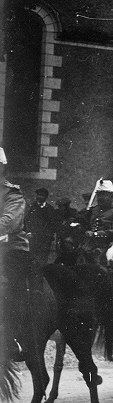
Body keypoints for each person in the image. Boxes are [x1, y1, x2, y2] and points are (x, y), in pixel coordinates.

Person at [1, 147, 30, 359]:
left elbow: (9, 222)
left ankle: (14, 338)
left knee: (9, 287)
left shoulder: (12, 193)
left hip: (11, 249)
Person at [84, 179, 113, 263]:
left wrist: (96, 234)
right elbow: (86, 224)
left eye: (104, 195)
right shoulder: (94, 209)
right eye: (99, 195)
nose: (100, 198)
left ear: (111, 196)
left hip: (107, 247)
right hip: (89, 246)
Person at [24, 187, 58, 271]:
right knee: (31, 258)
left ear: (45, 197)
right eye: (38, 195)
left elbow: (52, 225)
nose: (39, 197)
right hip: (32, 238)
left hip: (44, 240)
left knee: (43, 260)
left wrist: (49, 237)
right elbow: (26, 221)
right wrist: (27, 232)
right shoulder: (31, 207)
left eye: (42, 195)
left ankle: (41, 274)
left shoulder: (50, 209)